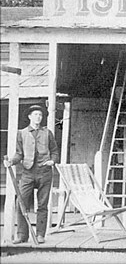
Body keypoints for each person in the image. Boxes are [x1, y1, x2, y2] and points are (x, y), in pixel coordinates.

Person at [3, 104, 60, 244]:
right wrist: (11, 161)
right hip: (28, 172)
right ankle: (22, 235)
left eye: (40, 115)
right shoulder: (21, 133)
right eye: (35, 114)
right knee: (20, 203)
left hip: (44, 172)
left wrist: (52, 161)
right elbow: (19, 154)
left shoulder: (47, 133)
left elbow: (54, 152)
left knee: (42, 204)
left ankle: (40, 234)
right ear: (29, 116)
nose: (38, 117)